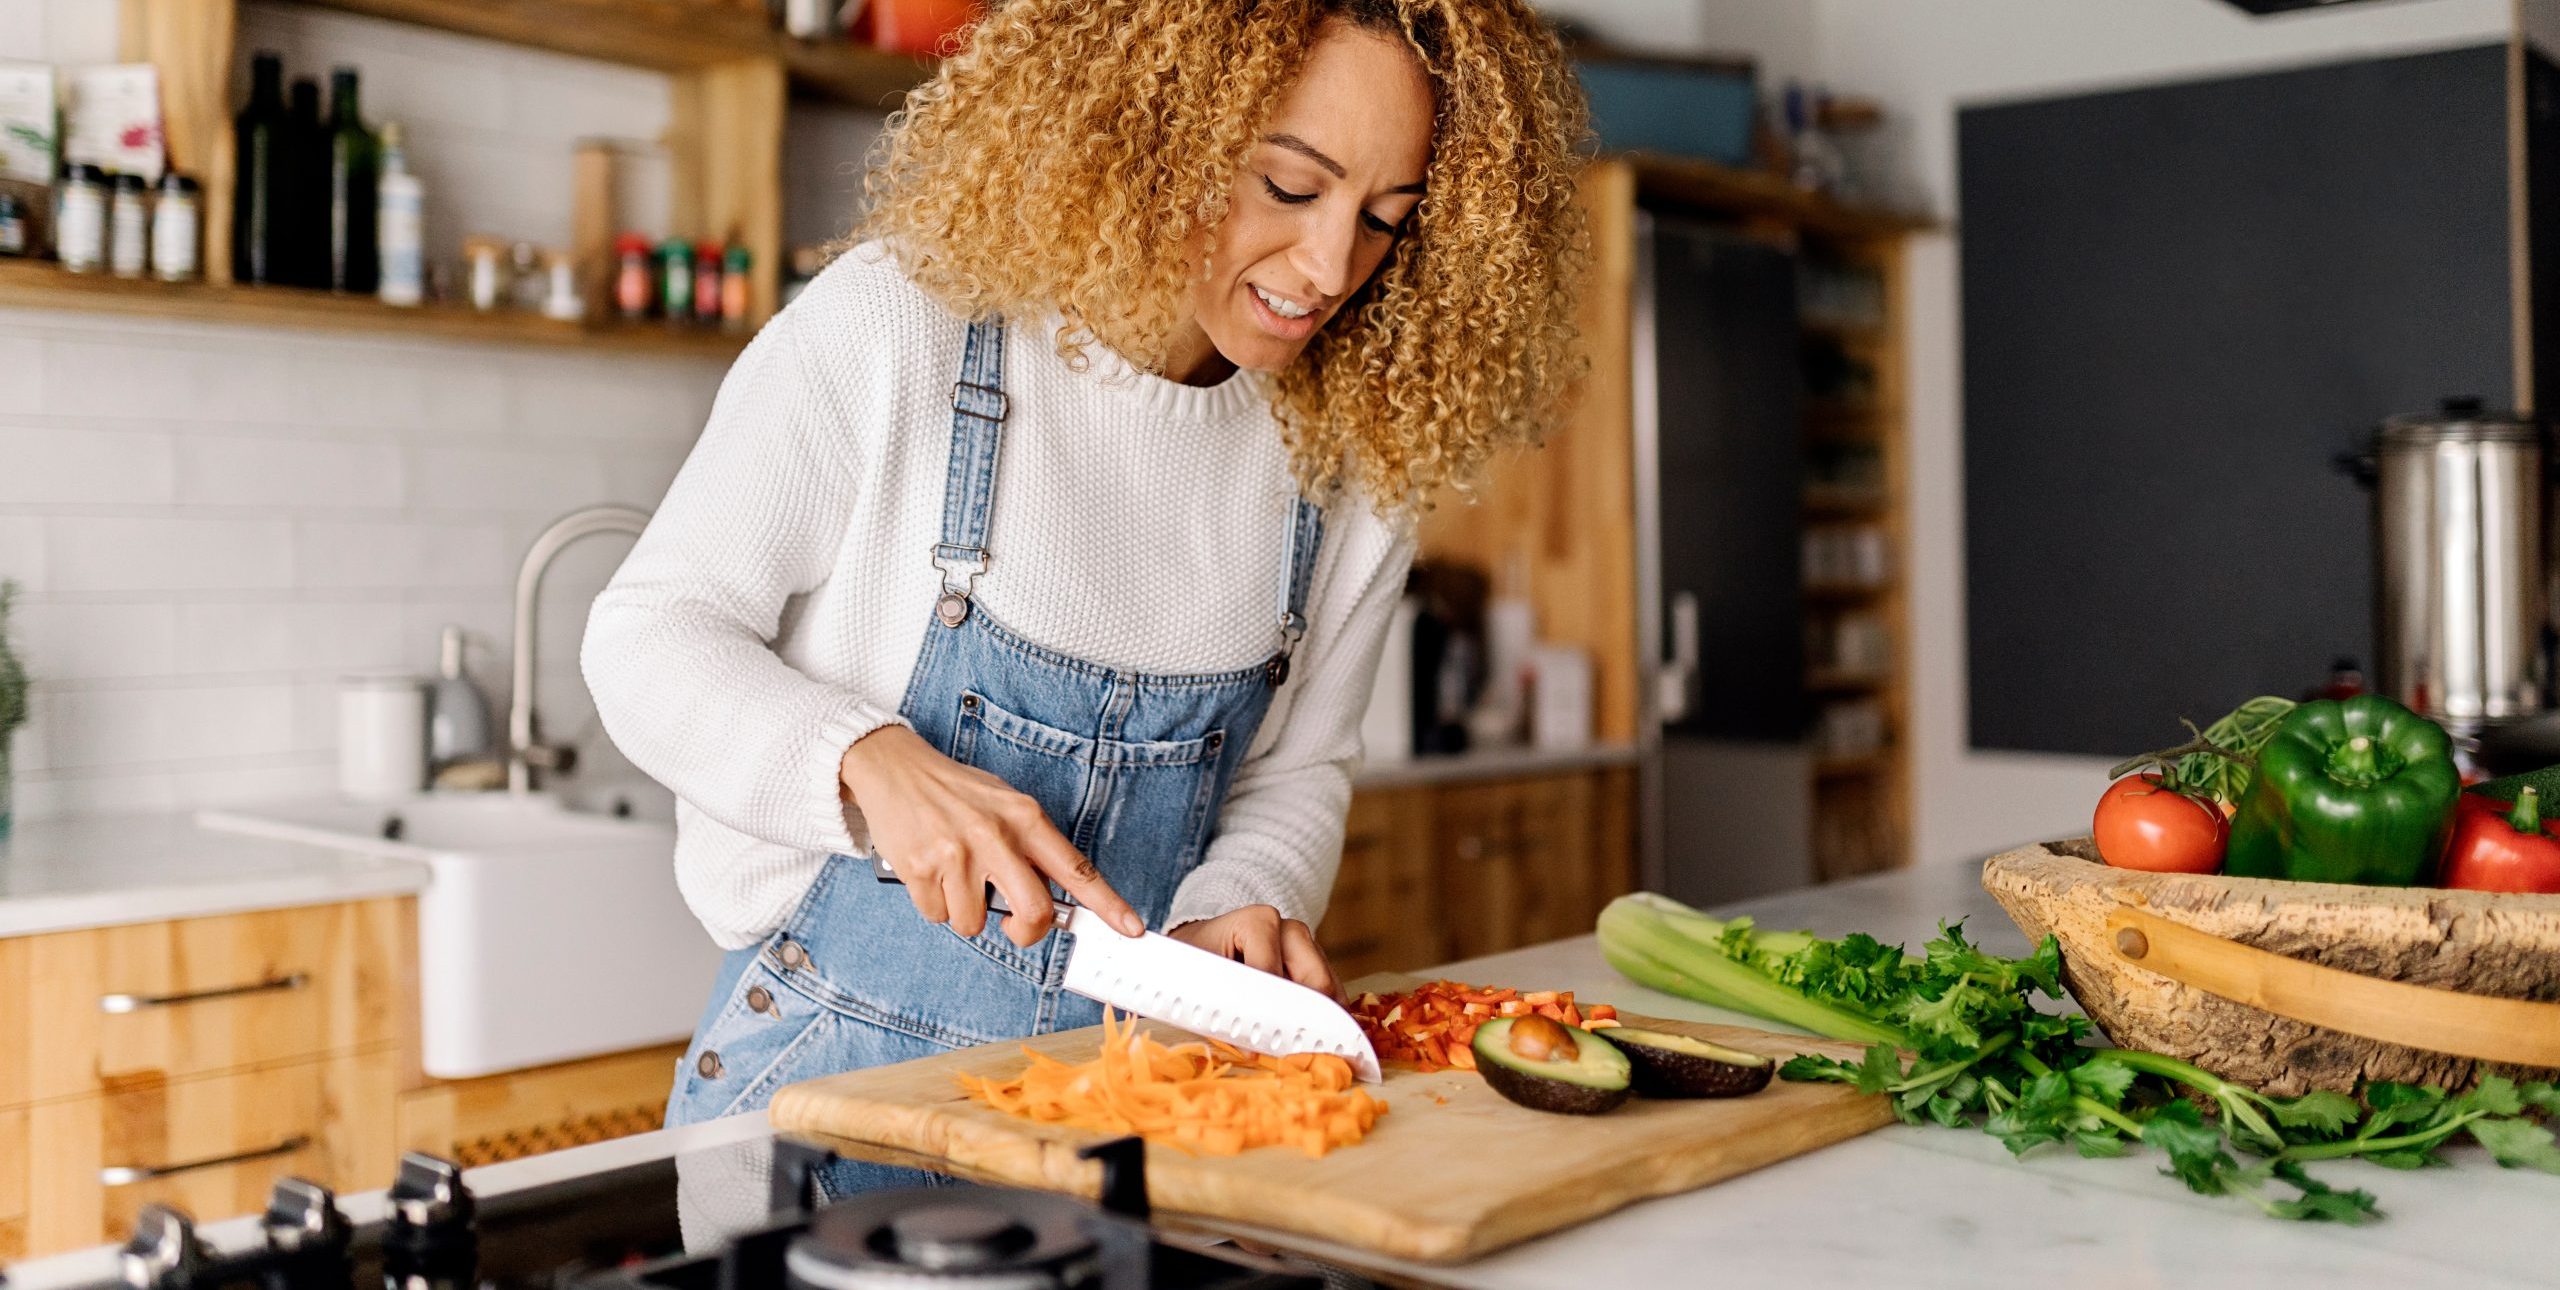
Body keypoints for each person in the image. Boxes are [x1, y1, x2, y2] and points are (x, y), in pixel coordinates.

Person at [582, 0, 1589, 1188]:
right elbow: (649, 634)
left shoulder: (1350, 464)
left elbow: (1295, 768)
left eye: (1382, 220)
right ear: (1153, 128)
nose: (1329, 269)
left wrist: (1243, 897)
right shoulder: (899, 328)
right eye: (1284, 186)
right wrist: (866, 759)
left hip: (1128, 1118)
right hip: (822, 1107)